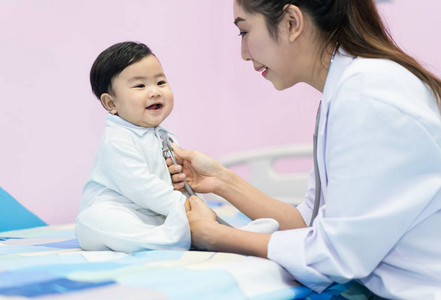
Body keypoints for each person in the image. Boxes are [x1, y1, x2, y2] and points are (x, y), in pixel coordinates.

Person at [167, 0, 441, 299]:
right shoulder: (350, 88)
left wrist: (216, 236)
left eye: (244, 32)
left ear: (291, 22)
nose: (244, 54)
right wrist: (220, 180)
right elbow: (308, 223)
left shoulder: (367, 96)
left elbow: (333, 256)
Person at [75, 42, 191, 253]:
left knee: (189, 214)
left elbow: (178, 186)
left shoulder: (165, 137)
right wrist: (184, 206)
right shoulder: (117, 138)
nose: (155, 92)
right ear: (111, 104)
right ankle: (175, 238)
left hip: (154, 214)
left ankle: (225, 231)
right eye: (140, 86)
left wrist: (190, 199)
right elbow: (140, 185)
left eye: (160, 81)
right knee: (96, 220)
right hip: (118, 210)